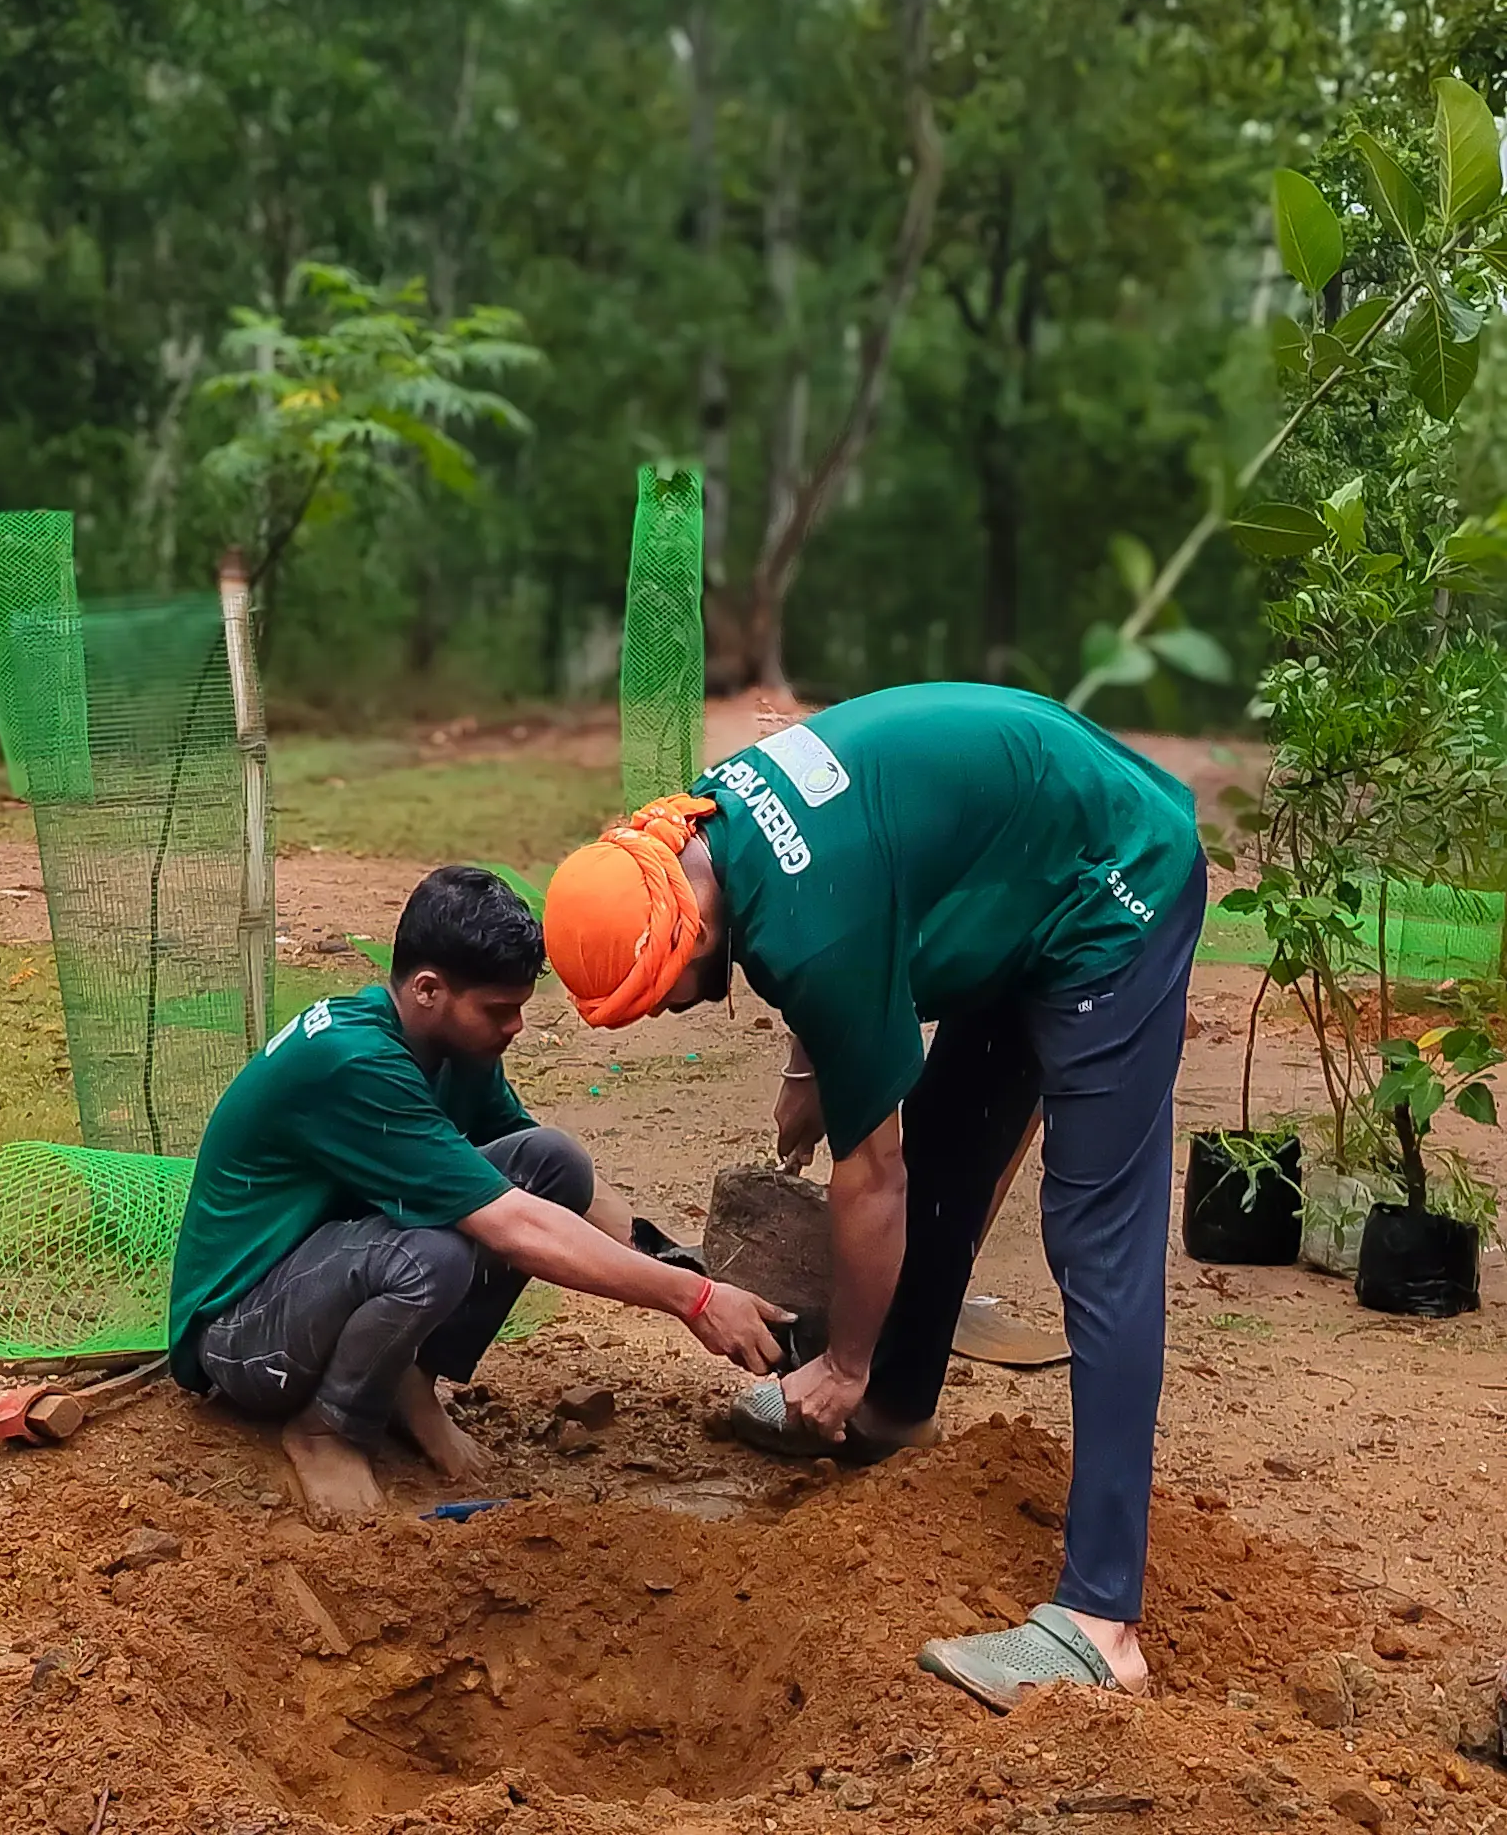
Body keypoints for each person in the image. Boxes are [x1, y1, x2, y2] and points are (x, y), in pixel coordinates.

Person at [542, 684, 1204, 1711]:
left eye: (658, 996)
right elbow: (848, 887)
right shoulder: (708, 821)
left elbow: (870, 1177)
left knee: (1095, 1240)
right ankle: (893, 1408)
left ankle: (1099, 1623)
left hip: (1111, 882)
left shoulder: (808, 931)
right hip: (1023, 868)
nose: (670, 1011)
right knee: (945, 1136)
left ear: (684, 935)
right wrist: (811, 1071)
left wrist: (838, 1359)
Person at [168, 865, 787, 1525]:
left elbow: (540, 1181)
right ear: (428, 988)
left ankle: (408, 1380)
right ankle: (328, 1429)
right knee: (432, 1255)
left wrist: (671, 1261)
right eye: (499, 1009)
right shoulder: (354, 1062)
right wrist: (690, 1302)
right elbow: (514, 1225)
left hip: (324, 1278)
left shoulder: (446, 1044)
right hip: (241, 1340)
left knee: (553, 1162)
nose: (516, 1026)